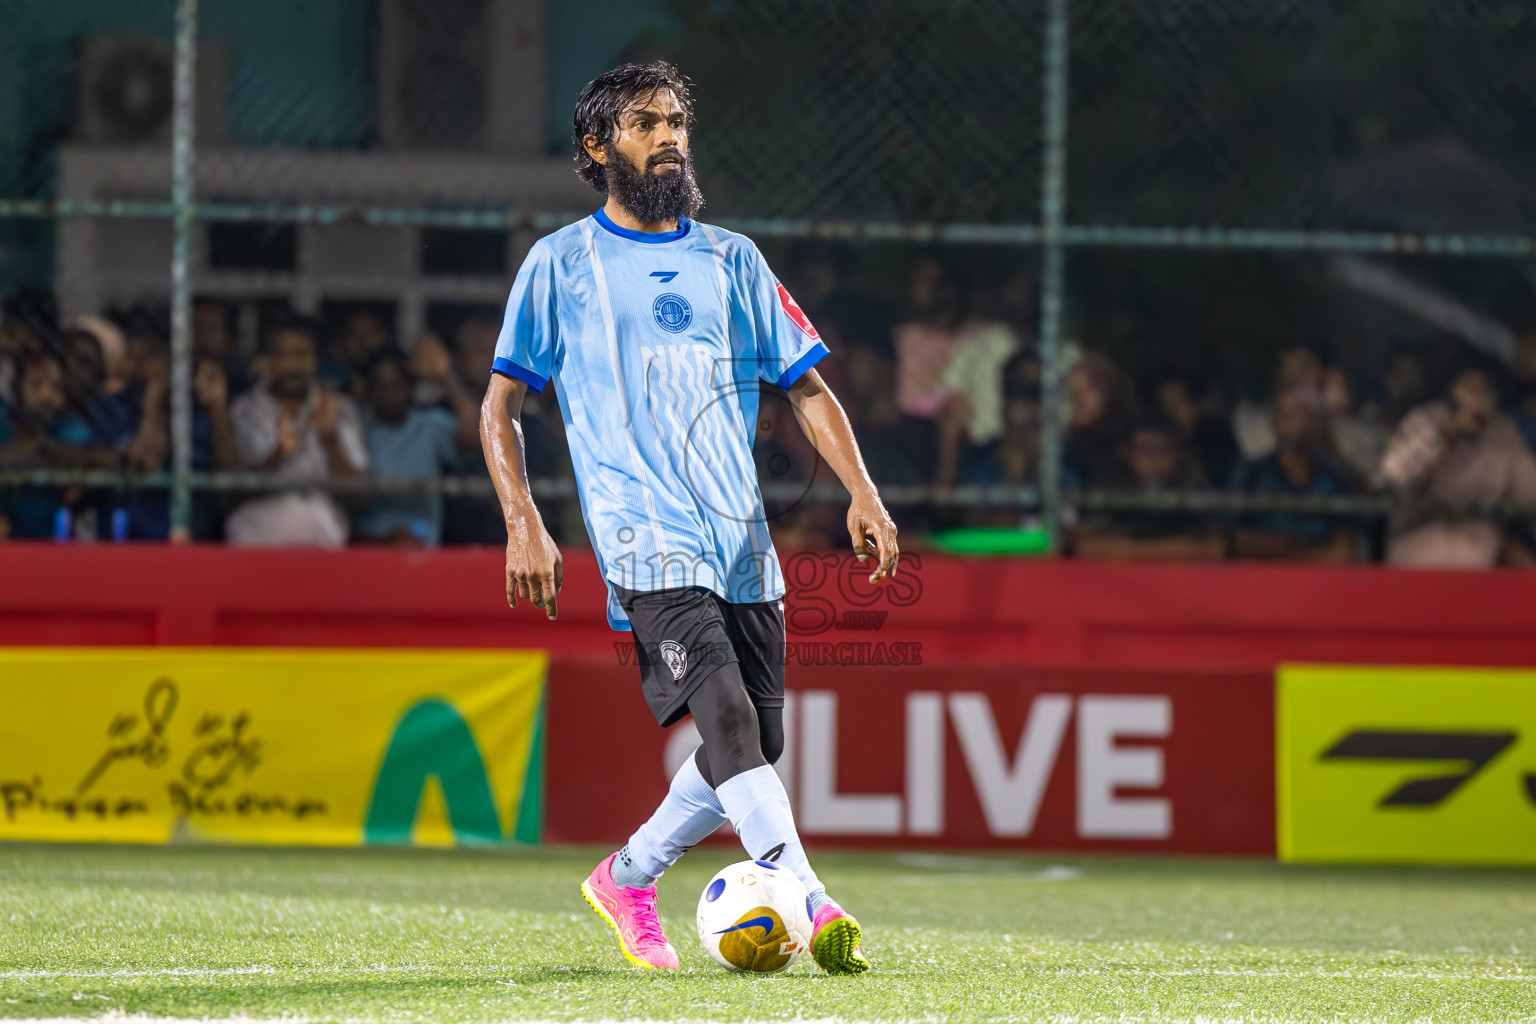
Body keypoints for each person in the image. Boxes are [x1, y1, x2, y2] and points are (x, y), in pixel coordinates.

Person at [481, 62, 896, 974]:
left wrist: (862, 490)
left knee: (759, 739)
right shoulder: (560, 263)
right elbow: (500, 404)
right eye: (643, 123)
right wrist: (524, 520)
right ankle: (811, 899)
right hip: (641, 533)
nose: (668, 136)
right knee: (731, 725)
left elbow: (808, 386)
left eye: (676, 121)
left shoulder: (734, 259)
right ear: (598, 147)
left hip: (740, 539)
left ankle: (628, 874)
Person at [227, 317, 368, 547]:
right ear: (267, 361)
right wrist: (279, 454)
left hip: (322, 543)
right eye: (281, 355)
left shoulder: (339, 408)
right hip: (256, 539)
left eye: (301, 354)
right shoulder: (243, 410)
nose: (291, 365)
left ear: (315, 360)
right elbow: (231, 490)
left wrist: (330, 442)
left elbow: (359, 495)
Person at [1379, 362, 1536, 567]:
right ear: (1452, 390)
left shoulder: (1502, 431)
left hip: (1477, 557)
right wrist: (1447, 432)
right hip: (1419, 549)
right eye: (1470, 389)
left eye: (1486, 390)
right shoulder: (1427, 420)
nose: (1478, 399)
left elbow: (1530, 491)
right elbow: (1393, 476)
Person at [356, 344, 477, 546]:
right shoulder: (360, 425)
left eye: (396, 385)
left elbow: (476, 436)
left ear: (410, 386)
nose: (389, 394)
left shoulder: (429, 424)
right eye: (381, 385)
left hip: (422, 543)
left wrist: (446, 379)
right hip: (369, 544)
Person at [1073, 413, 1223, 561]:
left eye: (1165, 450)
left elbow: (1212, 547)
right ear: (1124, 451)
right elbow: (1086, 545)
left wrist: (1133, 550)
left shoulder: (1191, 484)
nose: (1156, 459)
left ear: (1178, 454)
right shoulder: (1108, 485)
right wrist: (1178, 547)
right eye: (1145, 449)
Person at [1232, 387, 1355, 562]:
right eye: (1281, 413)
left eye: (1296, 412)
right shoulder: (1253, 473)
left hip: (1319, 581)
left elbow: (1344, 553)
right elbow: (1242, 544)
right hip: (1262, 577)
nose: (1286, 420)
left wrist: (1280, 549)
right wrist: (1311, 549)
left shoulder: (1332, 477)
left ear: (1314, 421)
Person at [1062, 350, 1137, 491]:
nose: (1078, 399)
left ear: (1109, 390)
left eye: (1089, 388)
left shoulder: (1134, 441)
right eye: (1072, 391)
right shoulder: (1065, 450)